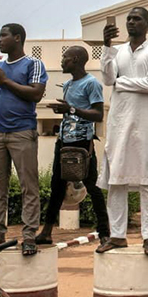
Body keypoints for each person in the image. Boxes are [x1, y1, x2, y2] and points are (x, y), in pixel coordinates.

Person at [96, 8, 148, 255]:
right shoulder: (118, 52)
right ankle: (117, 235)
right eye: (128, 19)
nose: (131, 22)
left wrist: (120, 81)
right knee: (117, 179)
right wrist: (106, 47)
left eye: (137, 19)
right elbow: (107, 79)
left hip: (145, 124)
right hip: (118, 122)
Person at [0, 23, 47, 256]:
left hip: (22, 131)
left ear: (17, 38)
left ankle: (29, 236)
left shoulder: (33, 64)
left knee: (29, 186)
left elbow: (36, 93)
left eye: (3, 35)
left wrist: (3, 80)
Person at [36, 46, 109, 245]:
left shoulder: (91, 83)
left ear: (75, 59)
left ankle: (105, 233)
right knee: (57, 186)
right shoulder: (67, 84)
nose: (62, 61)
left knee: (92, 186)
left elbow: (98, 114)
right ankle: (47, 231)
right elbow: (72, 112)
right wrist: (64, 110)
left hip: (83, 142)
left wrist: (71, 108)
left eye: (65, 57)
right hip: (64, 141)